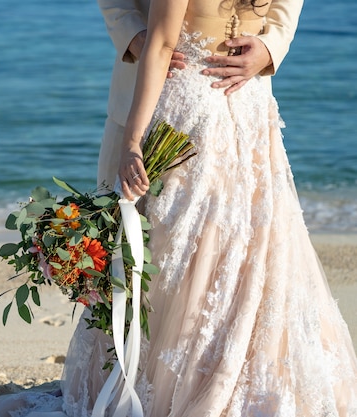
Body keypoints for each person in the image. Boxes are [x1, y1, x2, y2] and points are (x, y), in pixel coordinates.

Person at [60, 0, 357, 416]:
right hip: (245, 108)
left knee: (176, 245)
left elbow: (163, 44)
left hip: (189, 103)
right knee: (247, 244)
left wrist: (132, 141)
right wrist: (136, 39)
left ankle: (174, 379)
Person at [96, 0, 303, 192]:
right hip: (161, 97)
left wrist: (270, 48)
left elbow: (161, 47)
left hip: (239, 108)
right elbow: (159, 46)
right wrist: (135, 36)